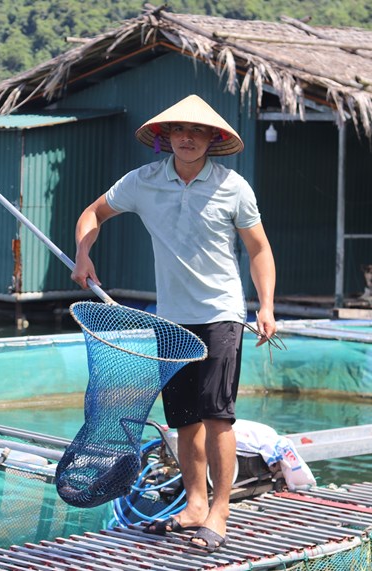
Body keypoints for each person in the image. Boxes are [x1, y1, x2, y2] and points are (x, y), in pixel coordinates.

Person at [71, 94, 276, 553]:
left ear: (214, 139)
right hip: (170, 320)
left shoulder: (234, 187)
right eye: (178, 131)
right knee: (183, 420)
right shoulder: (142, 182)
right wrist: (84, 254)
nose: (187, 138)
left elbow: (259, 250)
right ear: (165, 139)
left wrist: (266, 306)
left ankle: (220, 513)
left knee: (217, 417)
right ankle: (195, 505)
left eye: (198, 131)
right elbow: (93, 213)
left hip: (221, 314)